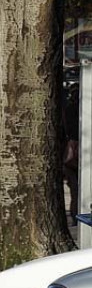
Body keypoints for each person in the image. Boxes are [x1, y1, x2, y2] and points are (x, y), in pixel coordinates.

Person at [64, 82, 79, 226]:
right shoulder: (75, 110)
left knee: (74, 189)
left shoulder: (67, 109)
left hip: (69, 156)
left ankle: (75, 216)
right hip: (74, 153)